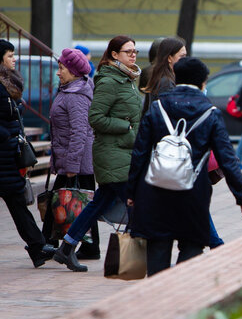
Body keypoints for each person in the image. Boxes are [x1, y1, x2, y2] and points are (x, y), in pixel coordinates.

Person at [127, 57, 242, 276]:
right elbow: (227, 158)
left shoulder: (157, 107)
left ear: (176, 78)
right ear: (203, 83)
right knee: (192, 246)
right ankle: (179, 289)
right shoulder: (210, 112)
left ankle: (159, 295)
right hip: (193, 193)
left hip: (154, 191)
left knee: (157, 247)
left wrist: (132, 191)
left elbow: (140, 153)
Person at [54, 35, 143, 272]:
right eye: (128, 51)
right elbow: (96, 118)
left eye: (134, 51)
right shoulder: (109, 81)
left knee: (99, 203)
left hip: (123, 152)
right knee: (137, 204)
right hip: (113, 154)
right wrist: (126, 127)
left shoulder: (128, 79)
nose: (133, 55)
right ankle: (132, 262)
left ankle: (67, 247)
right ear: (114, 55)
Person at [0, 39, 56, 267]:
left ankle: (38, 246)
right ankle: (37, 246)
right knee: (16, 202)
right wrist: (6, 135)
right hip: (4, 150)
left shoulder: (8, 83)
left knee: (16, 202)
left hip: (8, 154)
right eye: (9, 55)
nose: (14, 59)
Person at [42, 48, 101, 259]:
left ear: (74, 71)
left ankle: (48, 243)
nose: (58, 72)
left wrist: (72, 165)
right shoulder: (69, 89)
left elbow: (80, 132)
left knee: (81, 202)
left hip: (76, 161)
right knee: (79, 203)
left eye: (62, 68)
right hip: (69, 159)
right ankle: (54, 243)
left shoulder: (76, 95)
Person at [141, 37, 186, 114]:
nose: (185, 60)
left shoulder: (163, 77)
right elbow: (170, 112)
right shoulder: (166, 83)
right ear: (169, 58)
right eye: (182, 56)